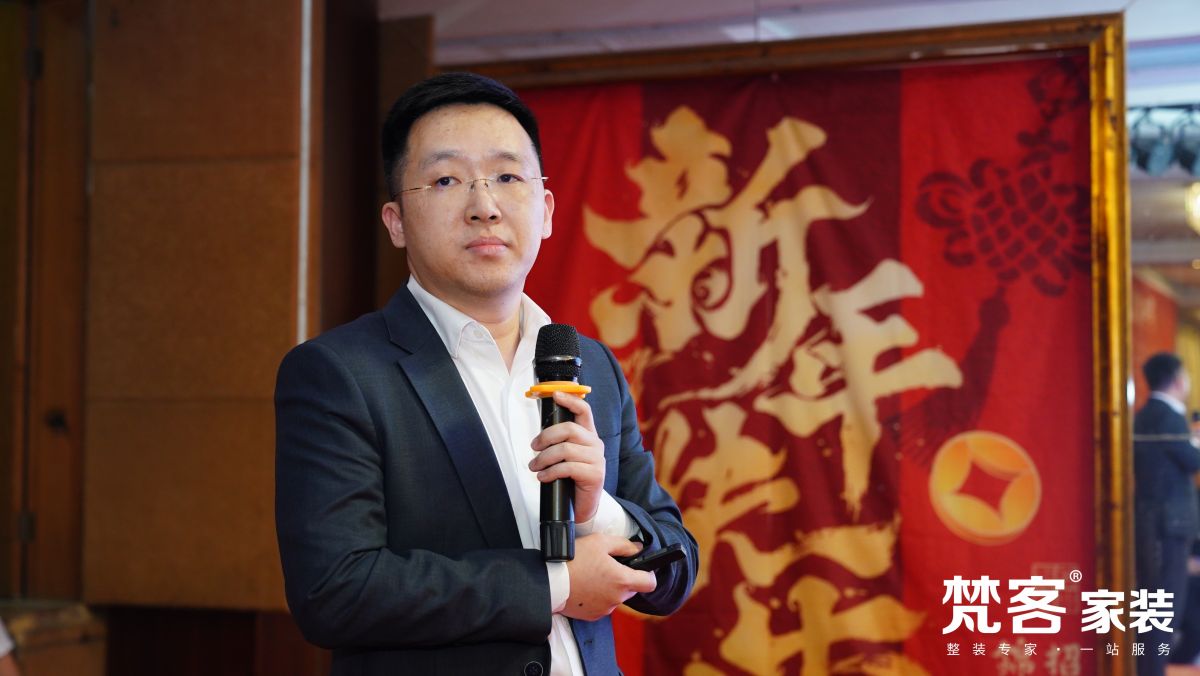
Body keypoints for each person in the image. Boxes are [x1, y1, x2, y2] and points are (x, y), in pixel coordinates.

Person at [274, 72, 698, 676]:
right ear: (396, 221)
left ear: (545, 211)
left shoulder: (591, 365)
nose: (485, 206)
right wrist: (555, 586)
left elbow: (676, 570)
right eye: (447, 180)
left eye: (507, 177)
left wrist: (597, 511)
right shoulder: (339, 374)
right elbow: (335, 591)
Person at [1134, 352, 1200, 676]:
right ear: (1176, 379)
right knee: (1163, 607)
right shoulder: (1167, 416)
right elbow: (1192, 460)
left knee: (1155, 606)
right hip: (1168, 527)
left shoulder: (1147, 413)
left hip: (1155, 524)